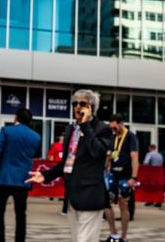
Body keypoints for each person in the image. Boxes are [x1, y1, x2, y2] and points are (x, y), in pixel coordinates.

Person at [27, 89, 112, 242]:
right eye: (75, 103)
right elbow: (67, 162)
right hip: (72, 197)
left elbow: (98, 153)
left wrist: (86, 126)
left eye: (82, 104)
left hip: (91, 196)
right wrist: (46, 175)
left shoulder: (103, 129)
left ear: (91, 107)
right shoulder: (71, 129)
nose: (77, 107)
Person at [0, 108, 41, 242]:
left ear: (16, 118)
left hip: (4, 178)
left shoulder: (6, 131)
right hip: (23, 180)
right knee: (21, 215)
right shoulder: (36, 137)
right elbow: (35, 156)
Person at [103, 114, 138, 242]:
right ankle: (114, 234)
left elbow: (134, 158)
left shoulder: (130, 137)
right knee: (105, 202)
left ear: (120, 123)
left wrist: (134, 178)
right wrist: (107, 164)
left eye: (115, 128)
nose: (113, 131)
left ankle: (124, 237)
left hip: (126, 175)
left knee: (123, 204)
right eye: (111, 128)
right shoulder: (112, 137)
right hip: (112, 174)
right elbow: (109, 155)